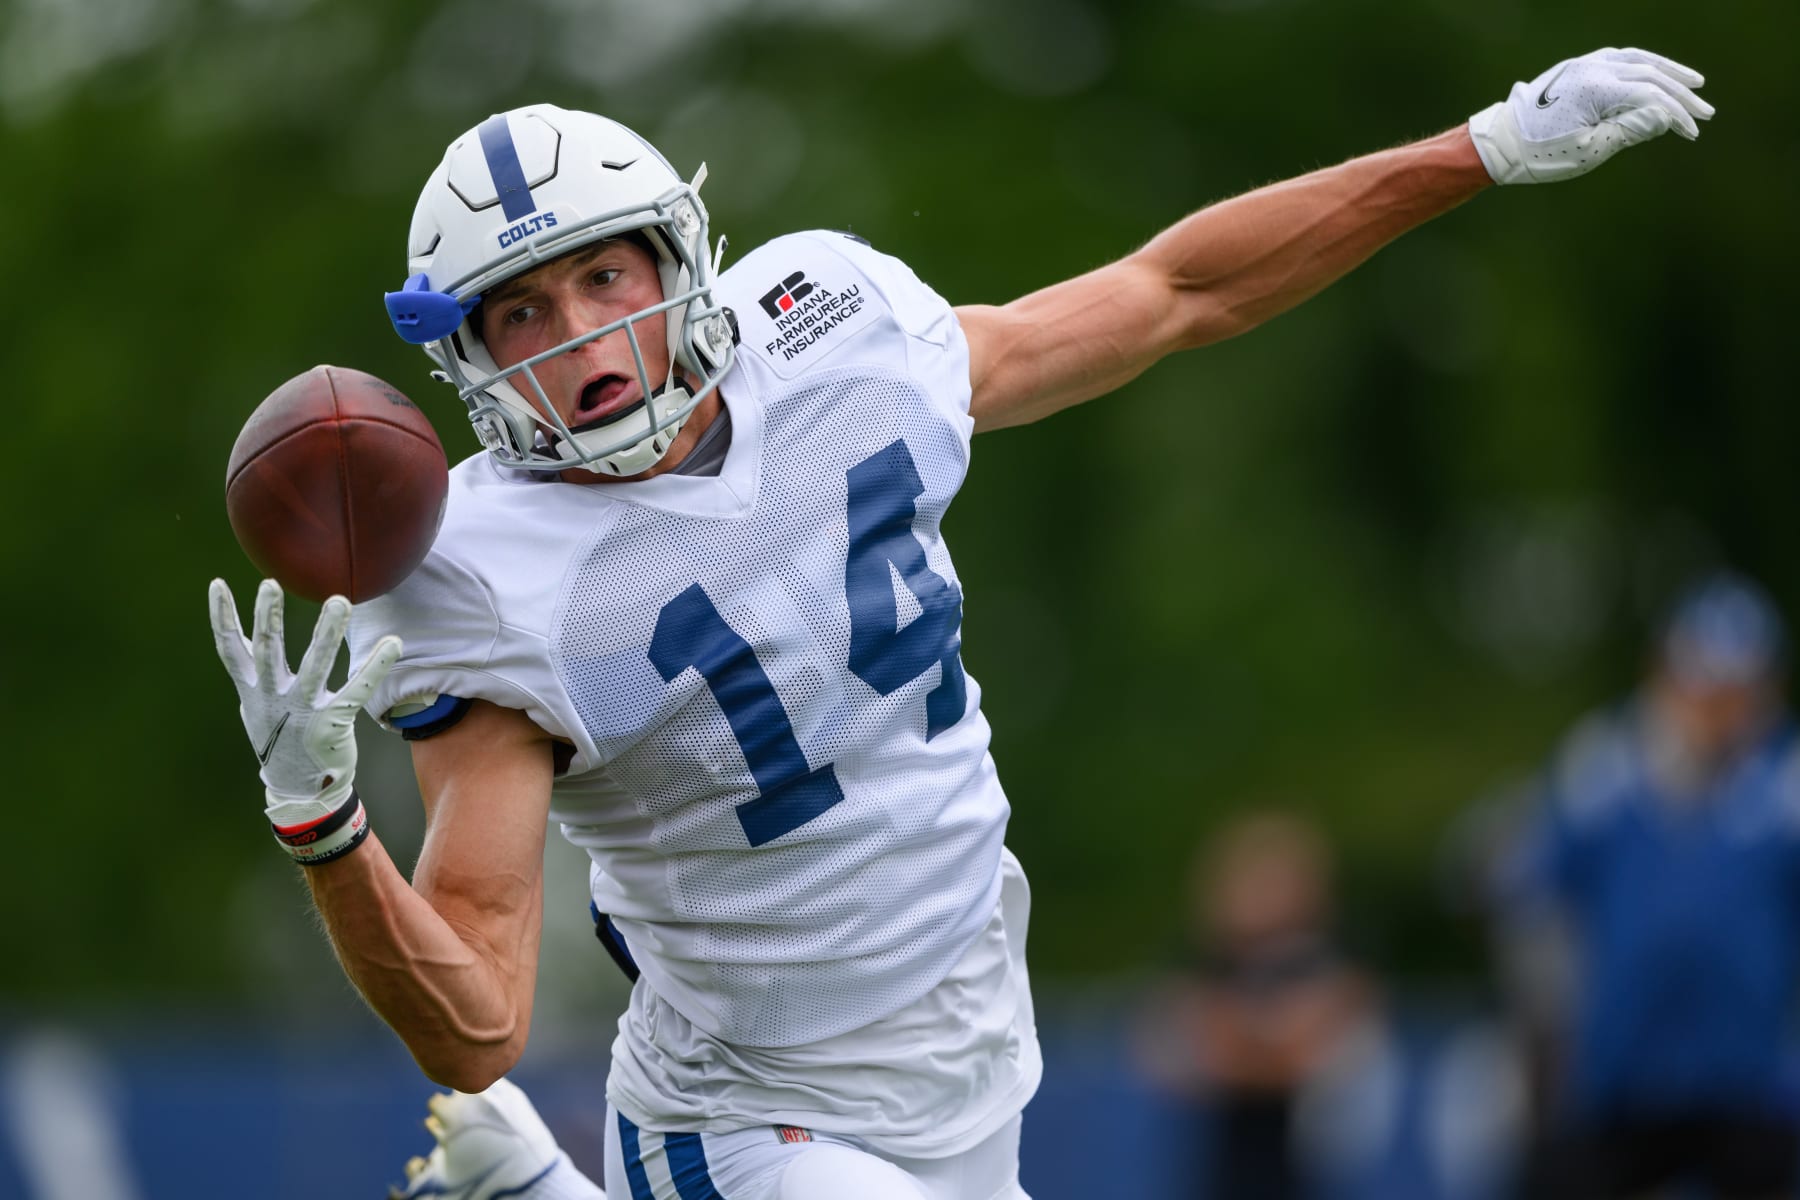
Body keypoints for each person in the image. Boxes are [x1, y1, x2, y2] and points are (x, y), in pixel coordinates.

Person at [206, 48, 1712, 1200]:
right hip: (748, 1101)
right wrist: (325, 829)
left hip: (966, 1018)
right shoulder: (487, 575)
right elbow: (476, 1020)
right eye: (520, 315)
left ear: (684, 261)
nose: (582, 338)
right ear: (466, 360)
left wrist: (1481, 147)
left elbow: (1175, 291)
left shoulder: (831, 326)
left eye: (603, 276)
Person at [1496, 573, 1800, 1200]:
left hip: (1748, 1078)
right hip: (1622, 1074)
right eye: (1702, 682)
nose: (1716, 706)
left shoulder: (1784, 784)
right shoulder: (1605, 768)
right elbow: (1528, 887)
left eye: (1735, 687)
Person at [1137, 813, 1376, 1199]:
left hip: (1308, 1174)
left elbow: (1299, 1058)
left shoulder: (1328, 963)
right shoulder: (1204, 967)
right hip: (1219, 1169)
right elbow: (1167, 1059)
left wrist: (1240, 1046)